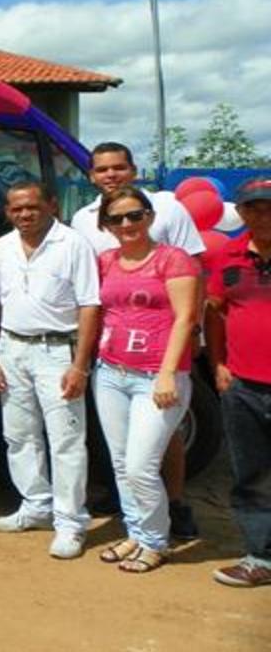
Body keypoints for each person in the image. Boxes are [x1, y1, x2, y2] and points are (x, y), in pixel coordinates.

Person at [71, 141, 205, 540]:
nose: (110, 174)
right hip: (112, 362)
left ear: (132, 170)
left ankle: (172, 507)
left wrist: (194, 332)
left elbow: (195, 275)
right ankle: (138, 528)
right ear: (91, 176)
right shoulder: (83, 221)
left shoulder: (169, 211)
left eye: (118, 167)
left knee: (157, 446)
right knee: (125, 459)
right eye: (101, 169)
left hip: (160, 360)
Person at [0, 181, 100, 560]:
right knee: (19, 435)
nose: (25, 214)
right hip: (11, 347)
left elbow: (89, 305)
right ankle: (36, 505)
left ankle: (70, 522)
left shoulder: (73, 244)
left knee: (66, 440)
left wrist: (80, 365)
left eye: (32, 206)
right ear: (7, 212)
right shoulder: (1, 247)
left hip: (58, 351)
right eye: (16, 208)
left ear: (51, 205)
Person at [93, 186, 199, 574]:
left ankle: (155, 541)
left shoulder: (173, 259)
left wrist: (168, 373)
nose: (126, 223)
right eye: (116, 218)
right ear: (106, 225)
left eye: (134, 215)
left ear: (150, 216)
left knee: (141, 465)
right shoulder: (106, 261)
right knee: (122, 464)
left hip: (156, 376)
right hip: (110, 372)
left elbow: (186, 318)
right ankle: (136, 533)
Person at [205, 177, 271, 588]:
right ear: (241, 213)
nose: (263, 216)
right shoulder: (228, 257)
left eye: (270, 208)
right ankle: (260, 557)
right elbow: (214, 311)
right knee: (253, 475)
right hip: (243, 386)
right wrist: (218, 364)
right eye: (254, 208)